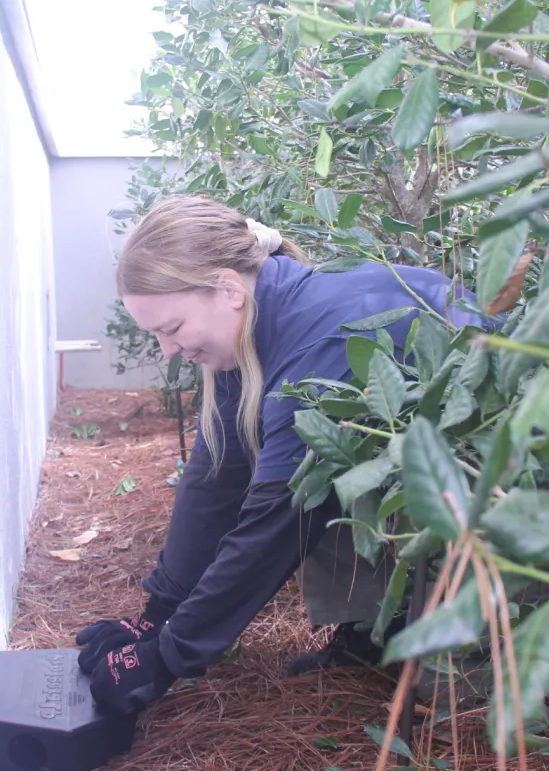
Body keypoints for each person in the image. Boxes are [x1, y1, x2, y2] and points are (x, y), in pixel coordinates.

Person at [76, 194, 492, 716]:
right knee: (311, 475)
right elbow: (214, 479)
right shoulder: (253, 330)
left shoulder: (318, 350)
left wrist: (165, 658)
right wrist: (157, 614)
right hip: (429, 475)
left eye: (172, 328)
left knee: (466, 699)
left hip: (504, 489)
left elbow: (275, 526)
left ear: (226, 289)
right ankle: (377, 629)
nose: (167, 350)